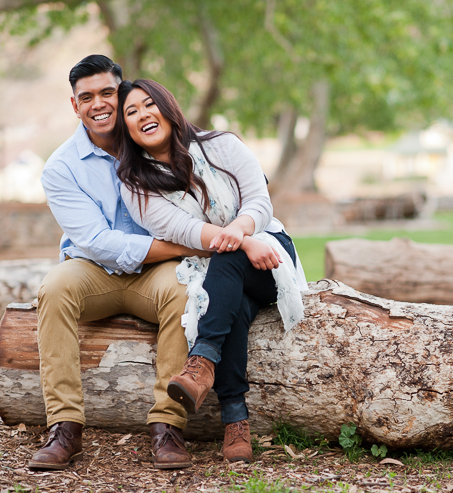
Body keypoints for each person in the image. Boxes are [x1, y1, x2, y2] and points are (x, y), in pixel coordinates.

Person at [115, 79, 308, 463]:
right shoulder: (135, 184)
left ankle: (202, 363)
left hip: (267, 255)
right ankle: (236, 423)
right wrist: (237, 241)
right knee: (229, 302)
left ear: (167, 107)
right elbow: (182, 231)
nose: (142, 115)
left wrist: (242, 233)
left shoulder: (223, 145)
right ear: (126, 129)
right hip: (212, 270)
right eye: (131, 113)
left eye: (148, 104)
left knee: (226, 260)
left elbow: (259, 201)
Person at [28, 55, 207, 471]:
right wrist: (188, 247)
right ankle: (65, 428)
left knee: (185, 292)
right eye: (86, 97)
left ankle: (168, 427)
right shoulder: (61, 168)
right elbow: (97, 242)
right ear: (75, 106)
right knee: (54, 288)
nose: (99, 104)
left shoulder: (150, 138)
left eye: (107, 92)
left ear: (120, 92)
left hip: (156, 274)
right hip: (93, 271)